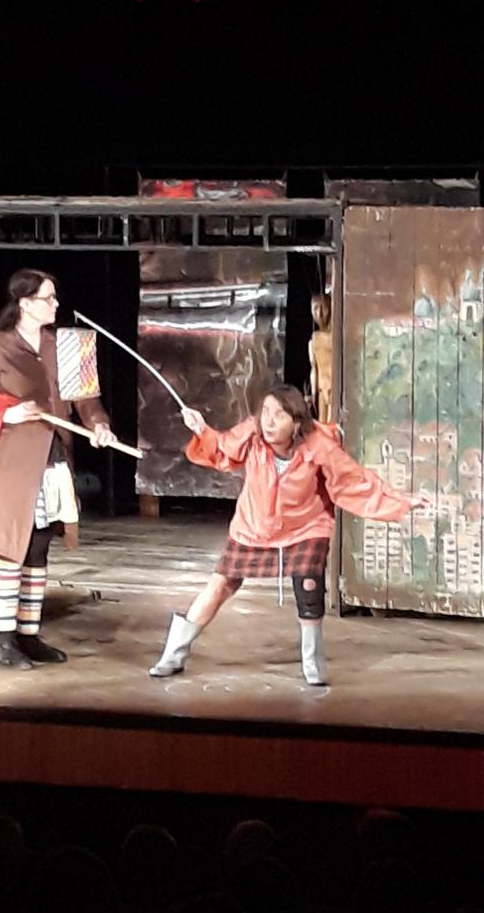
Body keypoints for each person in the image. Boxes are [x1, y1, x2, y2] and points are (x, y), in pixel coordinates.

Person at [149, 385, 423, 685]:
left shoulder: (319, 445)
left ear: (296, 422)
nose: (268, 421)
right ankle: (173, 654)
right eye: (265, 413)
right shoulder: (252, 435)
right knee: (220, 584)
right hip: (253, 526)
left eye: (278, 415)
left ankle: (312, 662)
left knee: (309, 585)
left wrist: (400, 501)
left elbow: (354, 482)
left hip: (306, 527)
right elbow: (223, 448)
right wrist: (202, 429)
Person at [0, 268, 116, 669]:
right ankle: (3, 640)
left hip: (53, 457)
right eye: (48, 298)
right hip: (11, 462)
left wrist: (99, 425)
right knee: (8, 544)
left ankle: (28, 635)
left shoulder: (67, 344)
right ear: (26, 303)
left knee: (39, 543)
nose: (56, 304)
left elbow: (87, 399)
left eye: (54, 297)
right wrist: (7, 415)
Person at [308, 292, 333, 422]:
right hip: (322, 388)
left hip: (333, 386)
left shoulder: (335, 336)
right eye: (315, 308)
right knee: (322, 423)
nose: (320, 313)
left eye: (324, 308)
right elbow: (314, 367)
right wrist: (313, 392)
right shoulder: (314, 339)